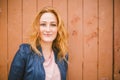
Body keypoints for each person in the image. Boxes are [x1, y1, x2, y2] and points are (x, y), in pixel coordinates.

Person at [8, 6, 68, 80]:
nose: (48, 29)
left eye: (53, 25)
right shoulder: (24, 52)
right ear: (37, 28)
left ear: (58, 29)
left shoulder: (62, 55)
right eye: (43, 24)